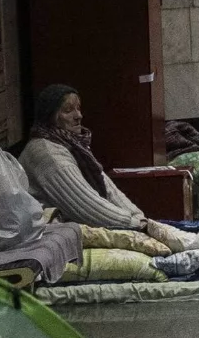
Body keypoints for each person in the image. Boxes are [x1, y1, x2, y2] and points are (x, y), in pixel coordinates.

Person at [20, 85, 188, 243]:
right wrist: (135, 225)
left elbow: (107, 189)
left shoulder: (71, 146)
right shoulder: (46, 153)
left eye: (78, 108)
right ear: (50, 117)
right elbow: (86, 206)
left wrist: (140, 218)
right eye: (68, 110)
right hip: (49, 235)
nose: (78, 115)